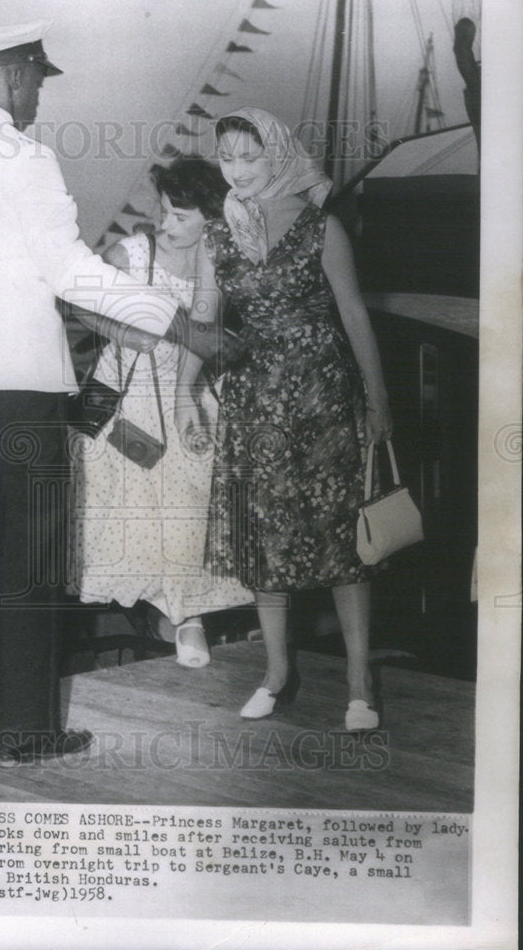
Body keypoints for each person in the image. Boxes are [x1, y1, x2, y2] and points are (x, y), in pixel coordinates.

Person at [0, 23, 235, 765]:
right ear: (15, 77)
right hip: (22, 385)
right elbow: (71, 272)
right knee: (27, 561)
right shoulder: (28, 159)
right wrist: (179, 322)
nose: (40, 97)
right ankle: (24, 730)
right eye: (39, 82)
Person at [176, 108, 393, 731]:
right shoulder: (217, 236)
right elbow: (206, 325)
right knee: (263, 542)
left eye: (250, 157)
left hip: (323, 393)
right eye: (229, 159)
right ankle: (276, 672)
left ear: (276, 157)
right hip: (251, 402)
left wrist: (378, 401)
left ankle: (359, 682)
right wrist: (185, 395)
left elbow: (355, 317)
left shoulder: (322, 226)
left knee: (342, 539)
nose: (238, 171)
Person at [72, 158, 253, 667]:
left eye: (180, 217)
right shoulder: (133, 253)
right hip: (125, 399)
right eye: (166, 212)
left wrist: (190, 394)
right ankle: (181, 615)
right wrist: (125, 334)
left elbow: (207, 328)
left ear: (212, 220)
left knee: (198, 497)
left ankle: (187, 610)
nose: (167, 225)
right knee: (147, 502)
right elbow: (76, 300)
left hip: (188, 392)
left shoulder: (218, 258)